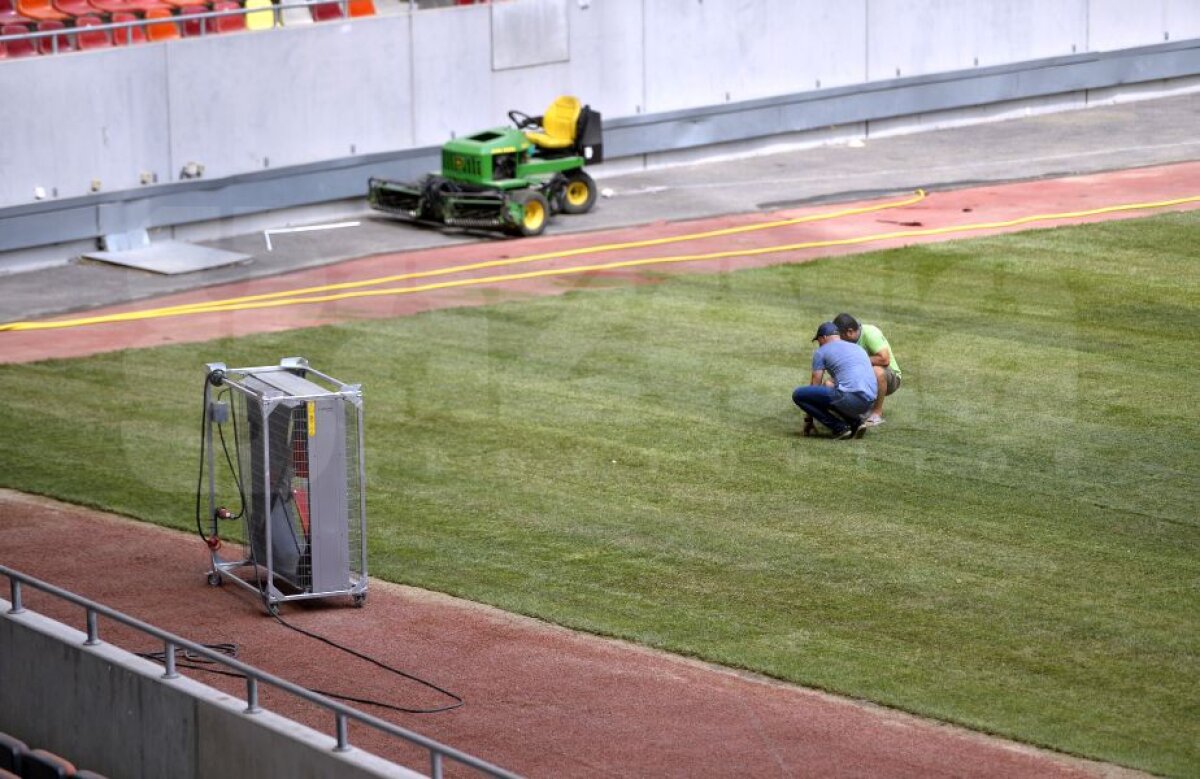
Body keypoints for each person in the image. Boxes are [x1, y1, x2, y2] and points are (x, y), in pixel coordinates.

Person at [792, 322, 877, 439]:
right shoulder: (857, 347)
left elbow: (815, 385)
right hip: (869, 401)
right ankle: (856, 423)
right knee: (833, 391)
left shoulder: (821, 351)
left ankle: (839, 427)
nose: (819, 344)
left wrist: (809, 419)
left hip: (850, 399)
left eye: (819, 341)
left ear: (824, 337)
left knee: (799, 395)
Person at [833, 313, 901, 427]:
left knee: (877, 371)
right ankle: (852, 412)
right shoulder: (846, 342)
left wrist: (858, 361)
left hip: (890, 378)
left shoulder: (870, 333)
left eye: (840, 336)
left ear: (850, 332)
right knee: (832, 382)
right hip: (864, 377)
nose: (839, 339)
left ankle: (876, 414)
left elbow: (885, 359)